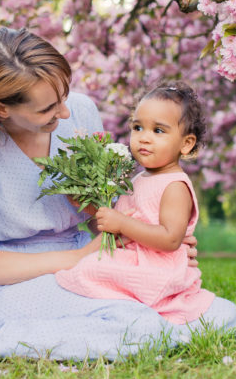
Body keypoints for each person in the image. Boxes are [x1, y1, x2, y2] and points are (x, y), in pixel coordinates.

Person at [0, 27, 236, 360]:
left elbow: (101, 215)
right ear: (2, 108)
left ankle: (133, 334)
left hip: (98, 267)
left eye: (63, 96)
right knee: (139, 327)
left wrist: (154, 240)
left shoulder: (80, 111)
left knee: (223, 317)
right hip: (12, 285)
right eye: (48, 109)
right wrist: (81, 257)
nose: (64, 112)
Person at [55, 82, 217, 325]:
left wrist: (121, 222)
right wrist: (91, 209)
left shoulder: (175, 186)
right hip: (134, 258)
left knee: (92, 269)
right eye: (138, 127)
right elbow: (114, 228)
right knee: (89, 267)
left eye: (158, 131)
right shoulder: (138, 178)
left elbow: (170, 239)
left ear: (186, 143)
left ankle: (130, 316)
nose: (144, 138)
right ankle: (108, 313)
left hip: (158, 266)